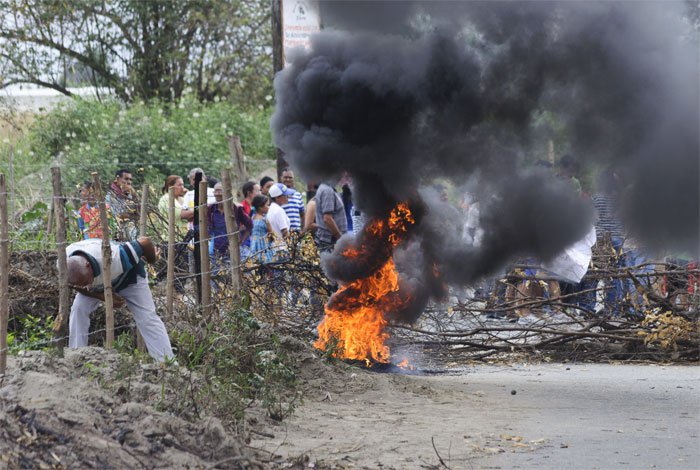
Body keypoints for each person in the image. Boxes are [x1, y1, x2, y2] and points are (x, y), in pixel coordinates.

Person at [66, 236, 174, 363]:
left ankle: (166, 364)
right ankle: (76, 356)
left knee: (147, 318)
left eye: (85, 281)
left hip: (129, 279)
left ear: (88, 265)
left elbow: (145, 242)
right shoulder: (64, 263)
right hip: (98, 288)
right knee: (78, 309)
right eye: (82, 284)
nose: (86, 285)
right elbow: (73, 284)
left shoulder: (116, 256)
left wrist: (152, 259)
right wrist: (102, 296)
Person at [207, 182, 253, 273]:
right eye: (215, 191)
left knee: (236, 273)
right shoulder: (211, 208)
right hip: (216, 249)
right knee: (216, 275)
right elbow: (207, 227)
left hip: (233, 248)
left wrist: (242, 239)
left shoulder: (236, 208)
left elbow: (250, 225)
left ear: (227, 192)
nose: (217, 193)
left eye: (219, 191)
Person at [314, 181, 348, 253]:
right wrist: (340, 238)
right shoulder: (327, 190)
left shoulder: (325, 188)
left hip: (328, 242)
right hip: (330, 242)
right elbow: (327, 219)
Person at [106, 169, 138, 241]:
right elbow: (117, 216)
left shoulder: (130, 194)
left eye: (130, 179)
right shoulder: (110, 196)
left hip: (131, 235)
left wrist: (134, 196)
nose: (129, 182)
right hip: (117, 236)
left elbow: (138, 214)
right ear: (117, 179)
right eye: (126, 179)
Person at [267, 183, 293, 260]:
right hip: (282, 249)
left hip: (274, 248)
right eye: (285, 195)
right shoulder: (279, 211)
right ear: (278, 197)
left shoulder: (271, 209)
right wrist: (292, 248)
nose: (288, 197)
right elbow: (285, 232)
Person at [248, 195, 273, 264]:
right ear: (260, 207)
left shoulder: (252, 217)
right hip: (264, 246)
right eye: (267, 205)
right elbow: (271, 233)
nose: (269, 207)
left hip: (253, 245)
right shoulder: (264, 219)